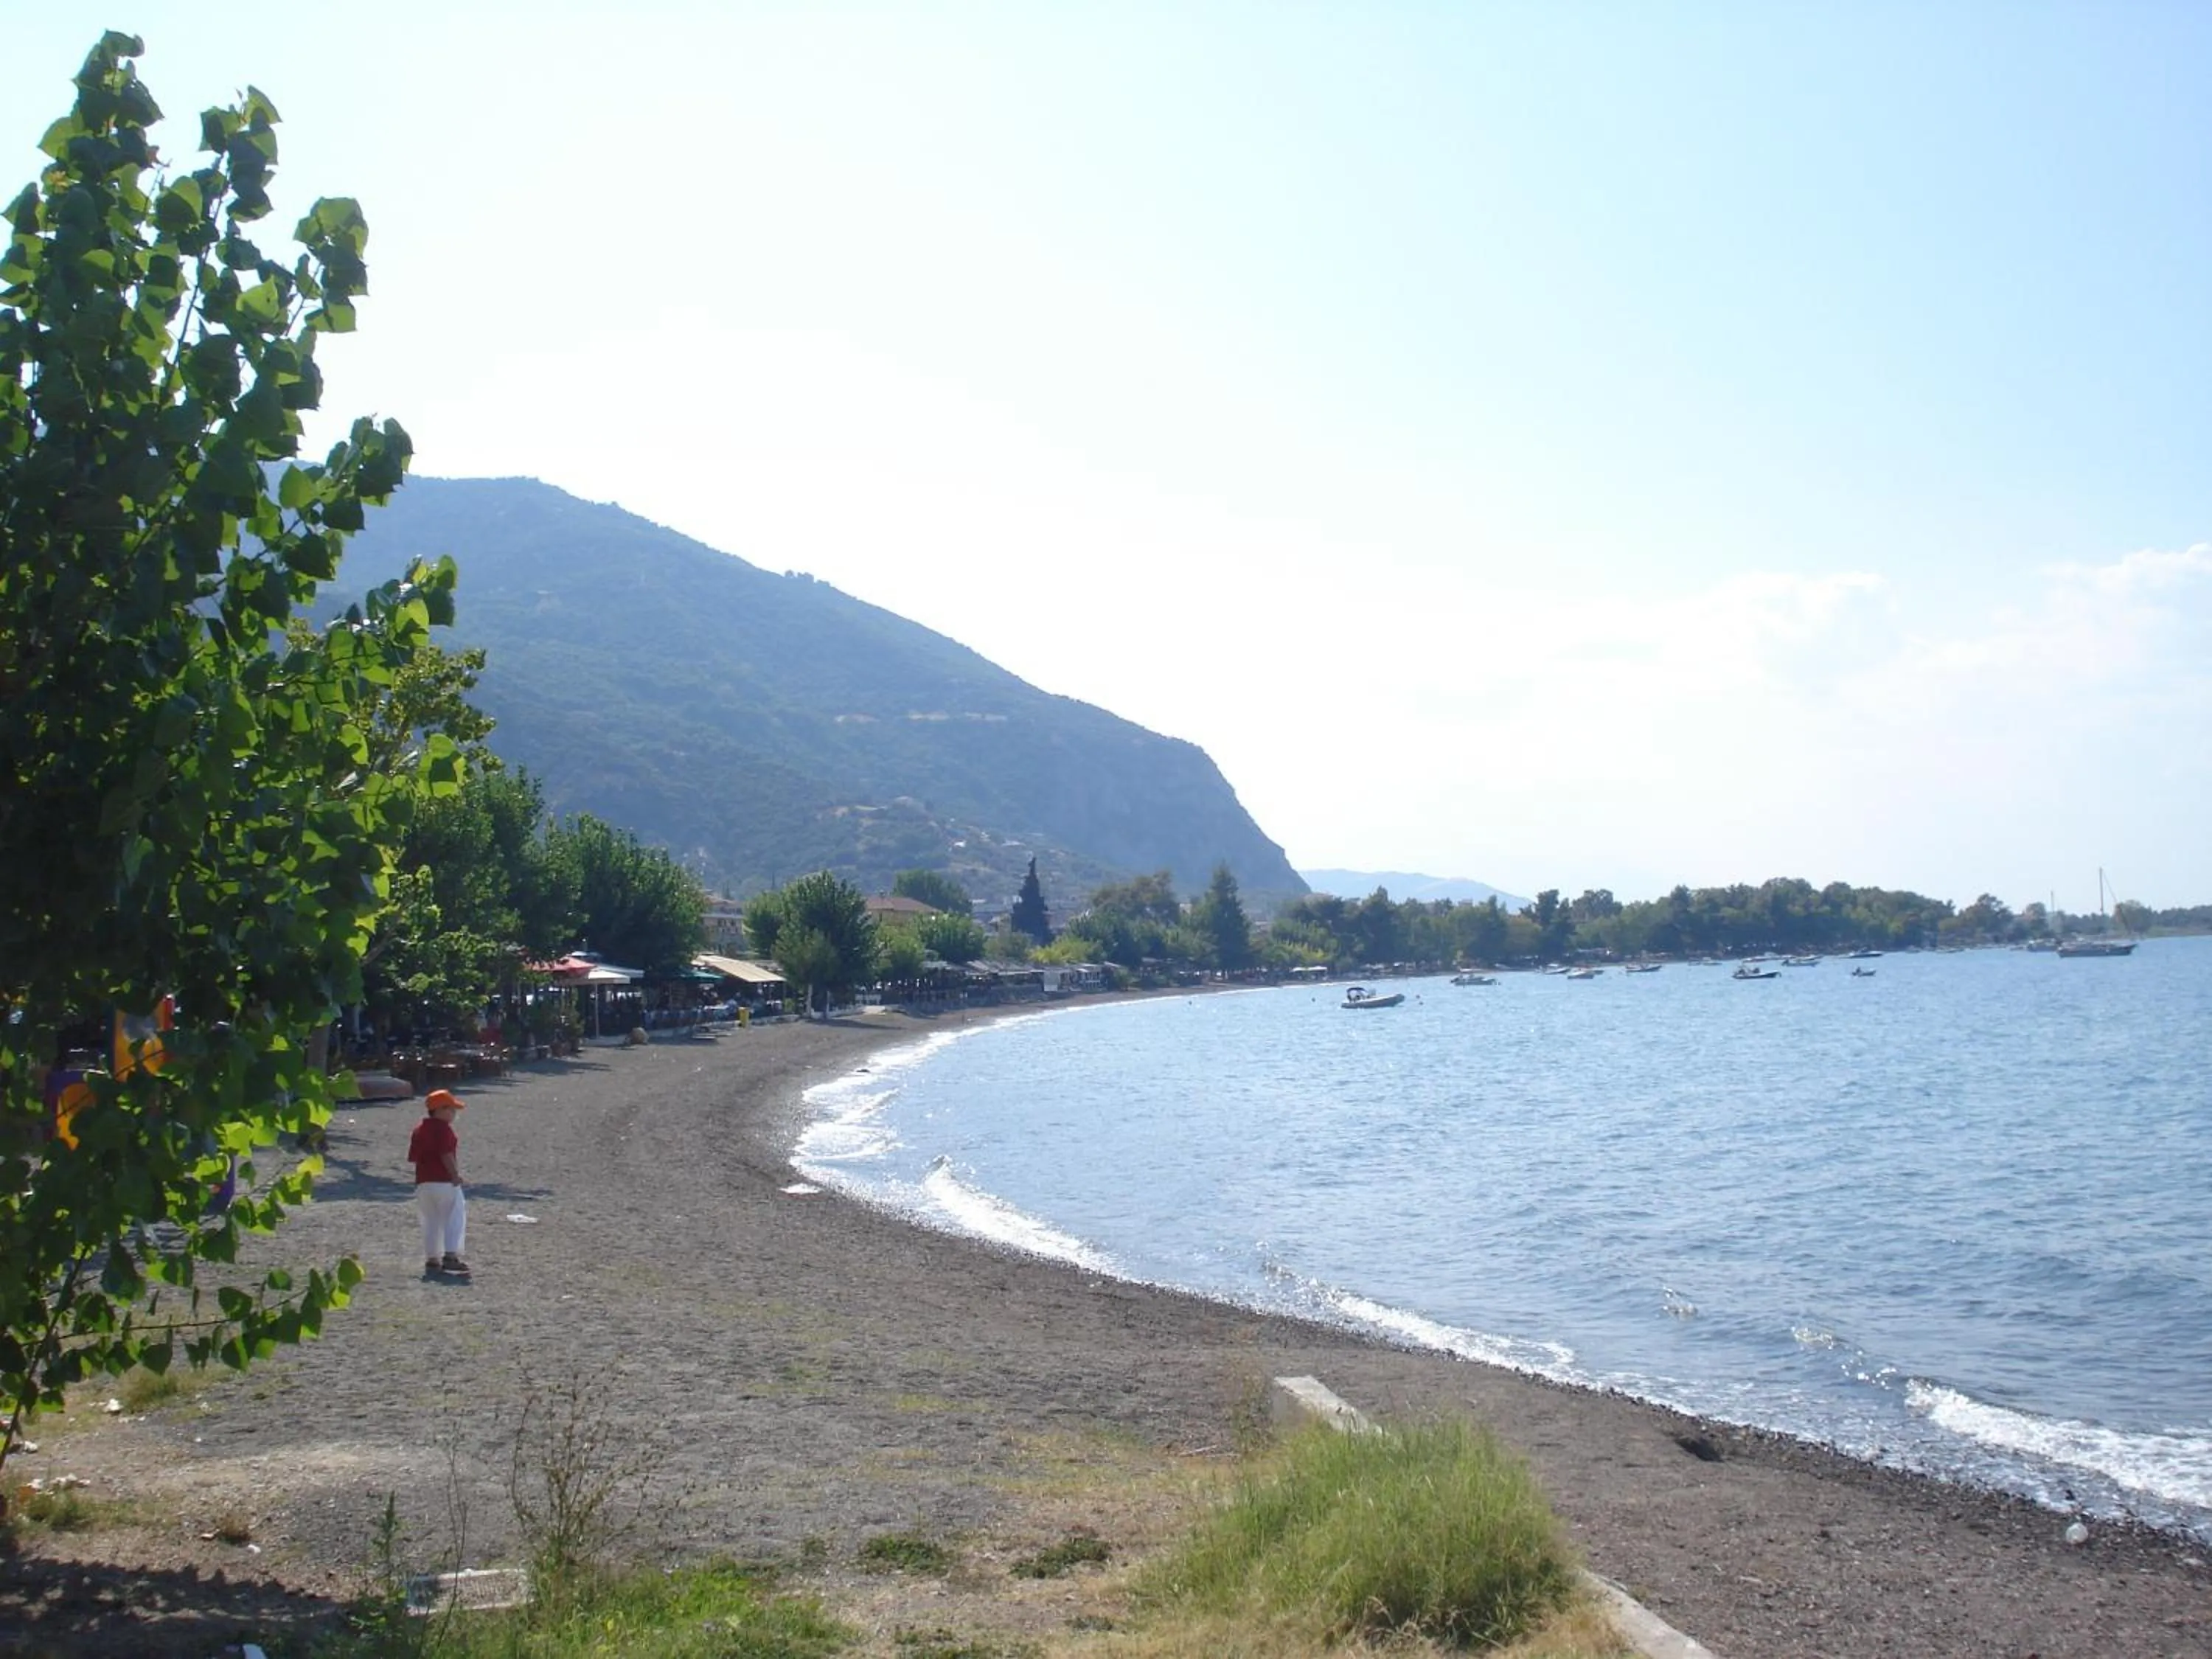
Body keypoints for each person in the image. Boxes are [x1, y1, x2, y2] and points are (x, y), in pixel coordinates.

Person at [407, 1088, 470, 1279]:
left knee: (430, 1220)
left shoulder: (419, 1129)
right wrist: (455, 1175)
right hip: (443, 1181)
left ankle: (432, 1258)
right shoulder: (443, 1129)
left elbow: (414, 1158)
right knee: (454, 1216)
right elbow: (446, 1154)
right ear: (440, 1110)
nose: (454, 1113)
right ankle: (451, 1255)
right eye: (451, 1109)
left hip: (423, 1182)